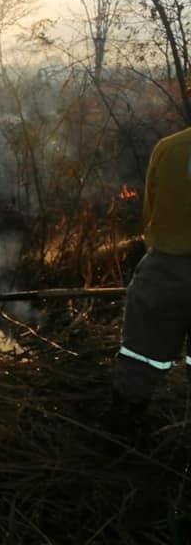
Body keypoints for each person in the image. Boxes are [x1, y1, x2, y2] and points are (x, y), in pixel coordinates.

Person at [111, 114, 191, 434]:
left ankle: (120, 433)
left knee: (140, 357)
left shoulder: (169, 148)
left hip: (163, 272)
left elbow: (151, 212)